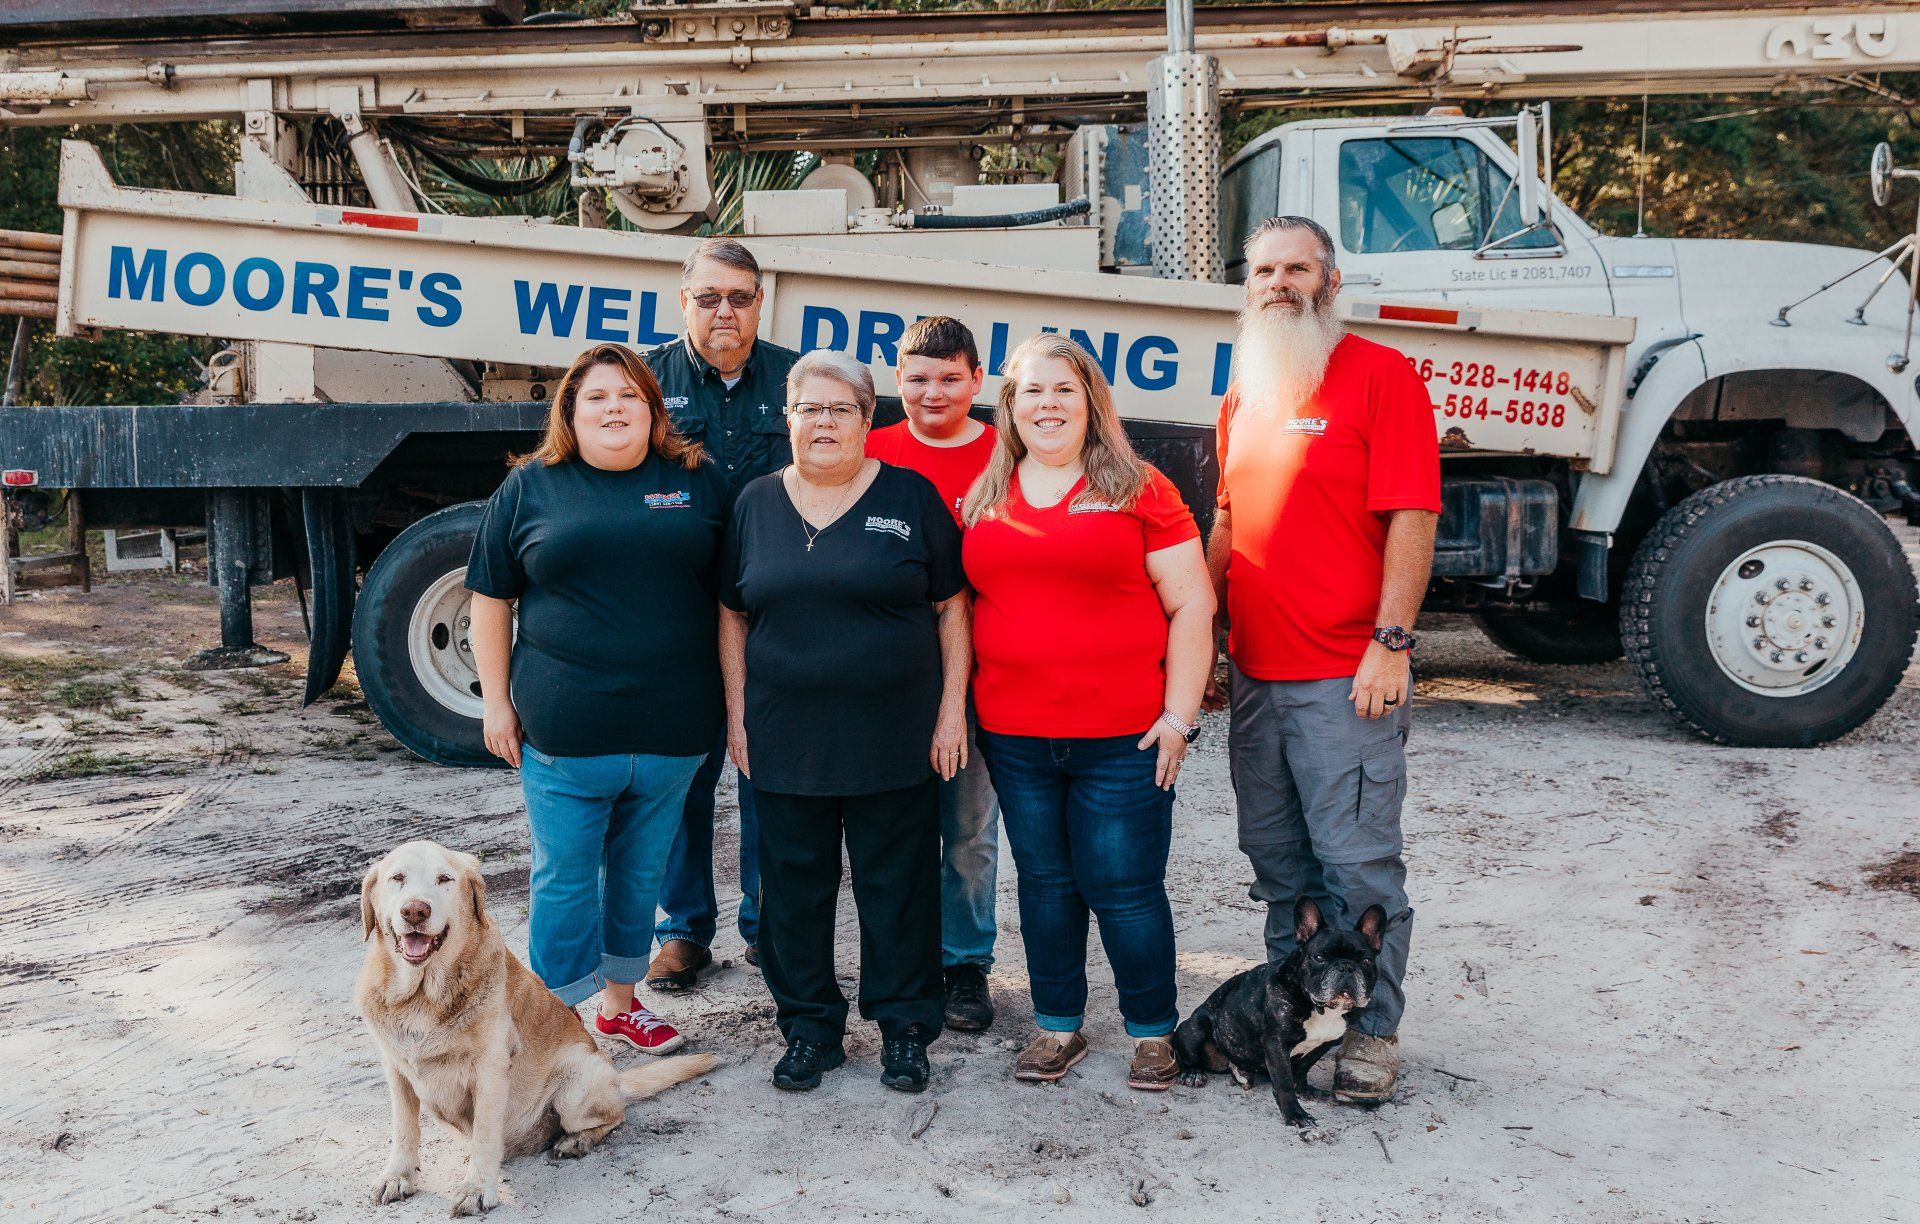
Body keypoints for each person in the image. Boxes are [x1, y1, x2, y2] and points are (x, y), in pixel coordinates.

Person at [1204, 215, 1440, 1104]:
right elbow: (1228, 524)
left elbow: (1413, 516)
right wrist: (1203, 641)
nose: (1278, 283)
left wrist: (1391, 642)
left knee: (1357, 866)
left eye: (1296, 268)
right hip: (1258, 676)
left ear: (1330, 281)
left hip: (1348, 674)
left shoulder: (1383, 376)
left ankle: (1372, 1036)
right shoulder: (1246, 392)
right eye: (1263, 269)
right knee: (1279, 866)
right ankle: (1288, 1017)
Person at [961, 333, 1215, 1092]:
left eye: (1063, 390)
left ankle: (1151, 1031)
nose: (1047, 404)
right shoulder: (986, 494)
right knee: (1043, 883)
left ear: (1091, 402)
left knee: (1125, 886)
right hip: (1014, 734)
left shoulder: (1141, 487)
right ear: (1010, 405)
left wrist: (1179, 719)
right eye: (1031, 391)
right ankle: (1057, 1027)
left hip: (1123, 736)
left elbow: (1194, 604)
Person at [719, 348, 971, 1094]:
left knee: (898, 885)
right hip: (782, 732)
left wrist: (951, 709)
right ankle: (809, 1029)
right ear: (786, 419)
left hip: (895, 732)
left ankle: (903, 1029)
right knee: (793, 888)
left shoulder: (911, 497)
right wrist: (736, 713)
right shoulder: (755, 502)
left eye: (840, 409)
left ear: (868, 419)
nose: (823, 422)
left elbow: (952, 607)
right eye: (809, 408)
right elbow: (732, 615)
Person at [466, 342, 728, 1054]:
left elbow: (733, 601)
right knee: (566, 880)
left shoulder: (698, 482)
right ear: (571, 414)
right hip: (566, 732)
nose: (615, 408)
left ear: (652, 410)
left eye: (629, 396)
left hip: (675, 733)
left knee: (640, 877)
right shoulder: (530, 488)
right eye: (597, 398)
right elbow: (489, 598)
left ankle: (619, 1003)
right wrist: (497, 703)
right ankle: (555, 1021)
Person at [642, 238, 800, 991]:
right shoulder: (645, 380)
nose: (724, 312)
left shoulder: (794, 378)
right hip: (677, 610)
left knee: (767, 768)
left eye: (739, 297)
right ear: (684, 302)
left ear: (760, 303)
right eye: (709, 298)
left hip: (775, 610)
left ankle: (770, 920)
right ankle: (681, 929)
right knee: (684, 772)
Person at [864, 315, 1002, 1032]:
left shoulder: (1007, 454)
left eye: (951, 378)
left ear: (979, 380)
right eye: (918, 378)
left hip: (984, 674)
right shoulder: (871, 450)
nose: (934, 392)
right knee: (894, 829)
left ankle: (966, 962)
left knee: (970, 829)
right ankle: (906, 957)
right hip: (886, 676)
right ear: (897, 381)